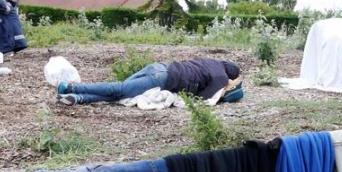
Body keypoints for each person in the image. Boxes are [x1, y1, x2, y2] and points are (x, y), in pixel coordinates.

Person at [56, 58, 241, 105]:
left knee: (121, 94)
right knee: (119, 90)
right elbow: (204, 99)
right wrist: (225, 91)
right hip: (163, 78)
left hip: (159, 67)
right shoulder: (221, 77)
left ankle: (77, 98)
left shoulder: (210, 61)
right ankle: (71, 87)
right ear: (230, 75)